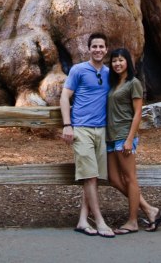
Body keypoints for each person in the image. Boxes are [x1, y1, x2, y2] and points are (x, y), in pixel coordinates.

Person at [106, 48, 161, 234]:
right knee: (114, 179)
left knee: (130, 178)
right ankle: (149, 209)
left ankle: (132, 221)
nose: (117, 63)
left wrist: (130, 139)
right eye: (114, 60)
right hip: (110, 137)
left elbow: (138, 112)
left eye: (121, 60)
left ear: (128, 63)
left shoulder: (134, 83)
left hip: (124, 136)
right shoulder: (114, 84)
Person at [61, 32, 114, 238]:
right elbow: (65, 97)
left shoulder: (110, 72)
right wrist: (67, 125)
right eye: (94, 47)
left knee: (92, 177)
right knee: (90, 176)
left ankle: (83, 220)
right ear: (88, 49)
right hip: (81, 129)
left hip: (101, 130)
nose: (98, 50)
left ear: (106, 49)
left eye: (101, 47)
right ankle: (99, 221)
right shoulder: (78, 70)